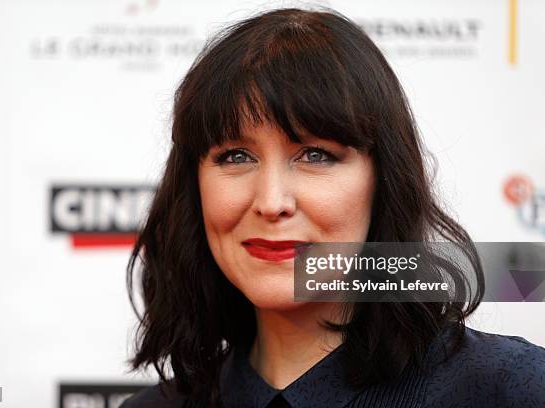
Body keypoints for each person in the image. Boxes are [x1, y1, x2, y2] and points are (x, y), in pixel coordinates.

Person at [120, 7, 545, 408]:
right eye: (236, 156)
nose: (271, 203)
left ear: (383, 180)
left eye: (315, 155)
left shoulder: (510, 388)